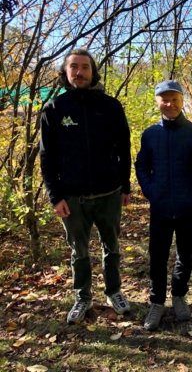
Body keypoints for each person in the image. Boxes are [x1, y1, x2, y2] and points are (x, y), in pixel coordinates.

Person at [40, 49, 132, 324]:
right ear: (65, 73)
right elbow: (47, 158)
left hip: (109, 194)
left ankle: (114, 291)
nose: (79, 72)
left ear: (93, 72)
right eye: (74, 68)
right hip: (72, 197)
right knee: (79, 251)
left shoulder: (111, 106)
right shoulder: (54, 109)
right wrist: (55, 196)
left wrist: (125, 185)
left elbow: (124, 148)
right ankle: (83, 297)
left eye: (85, 67)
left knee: (112, 246)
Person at [135, 80, 192, 331]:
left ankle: (179, 296)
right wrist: (150, 191)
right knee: (157, 256)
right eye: (164, 99)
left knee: (184, 255)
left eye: (175, 99)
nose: (170, 104)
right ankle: (156, 302)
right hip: (160, 208)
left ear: (182, 101)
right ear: (158, 102)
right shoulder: (150, 134)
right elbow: (141, 165)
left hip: (189, 207)